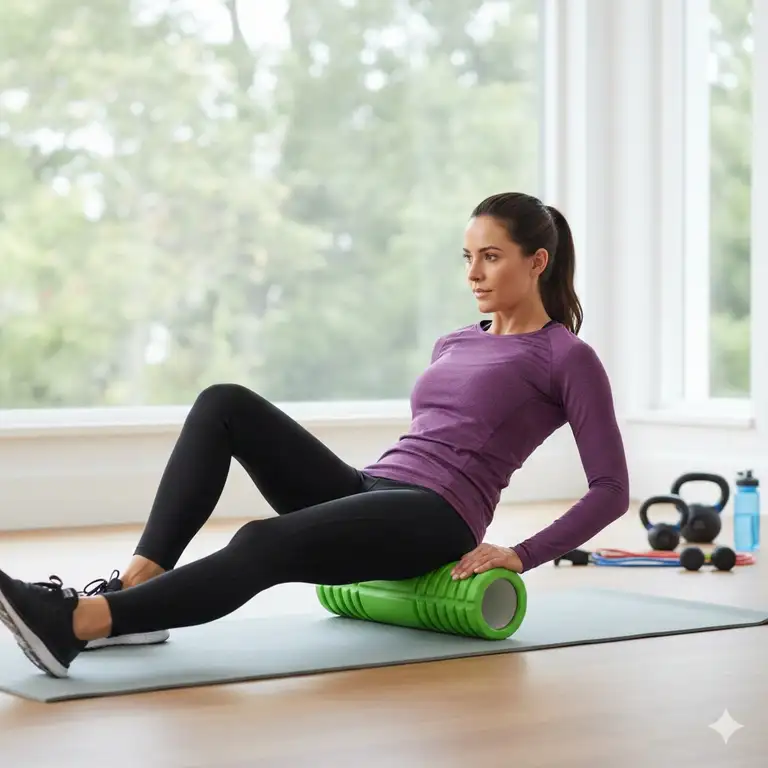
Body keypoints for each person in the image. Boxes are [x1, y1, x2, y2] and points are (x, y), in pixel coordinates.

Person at [0, 192, 630, 678]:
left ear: (537, 261)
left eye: (491, 256)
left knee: (261, 541)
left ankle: (79, 624)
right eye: (468, 257)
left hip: (439, 517)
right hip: (376, 487)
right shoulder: (458, 339)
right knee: (224, 403)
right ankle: (137, 588)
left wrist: (519, 554)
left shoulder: (565, 357)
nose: (474, 273)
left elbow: (610, 489)